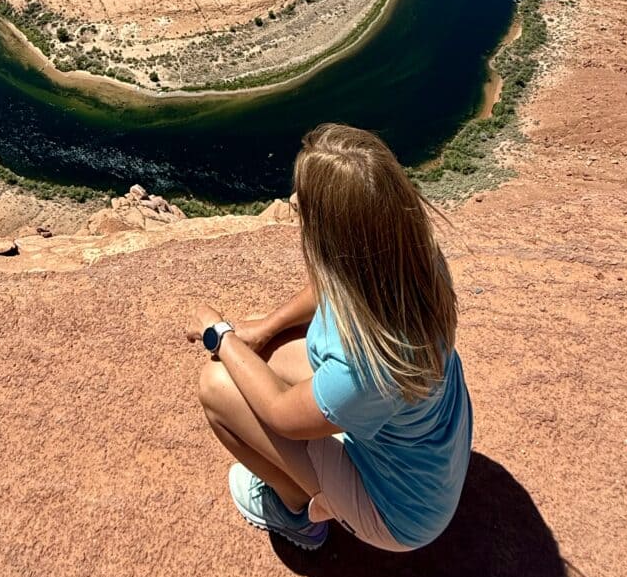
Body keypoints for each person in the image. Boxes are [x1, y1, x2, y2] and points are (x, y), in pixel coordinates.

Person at [186, 122, 473, 552]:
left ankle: (296, 510)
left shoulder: (368, 367)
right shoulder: (411, 258)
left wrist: (218, 334)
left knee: (218, 385)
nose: (293, 202)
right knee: (264, 354)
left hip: (397, 513)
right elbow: (336, 282)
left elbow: (281, 413)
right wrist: (266, 327)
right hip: (429, 455)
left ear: (335, 237)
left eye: (304, 202)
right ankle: (323, 458)